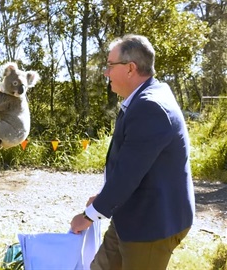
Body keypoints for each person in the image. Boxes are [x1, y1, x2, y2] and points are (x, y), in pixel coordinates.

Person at [70, 34, 195, 270]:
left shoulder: (150, 106)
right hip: (131, 213)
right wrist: (103, 200)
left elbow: (128, 173)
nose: (106, 73)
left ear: (130, 69)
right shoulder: (143, 98)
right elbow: (133, 163)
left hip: (151, 225)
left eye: (110, 65)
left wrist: (89, 216)